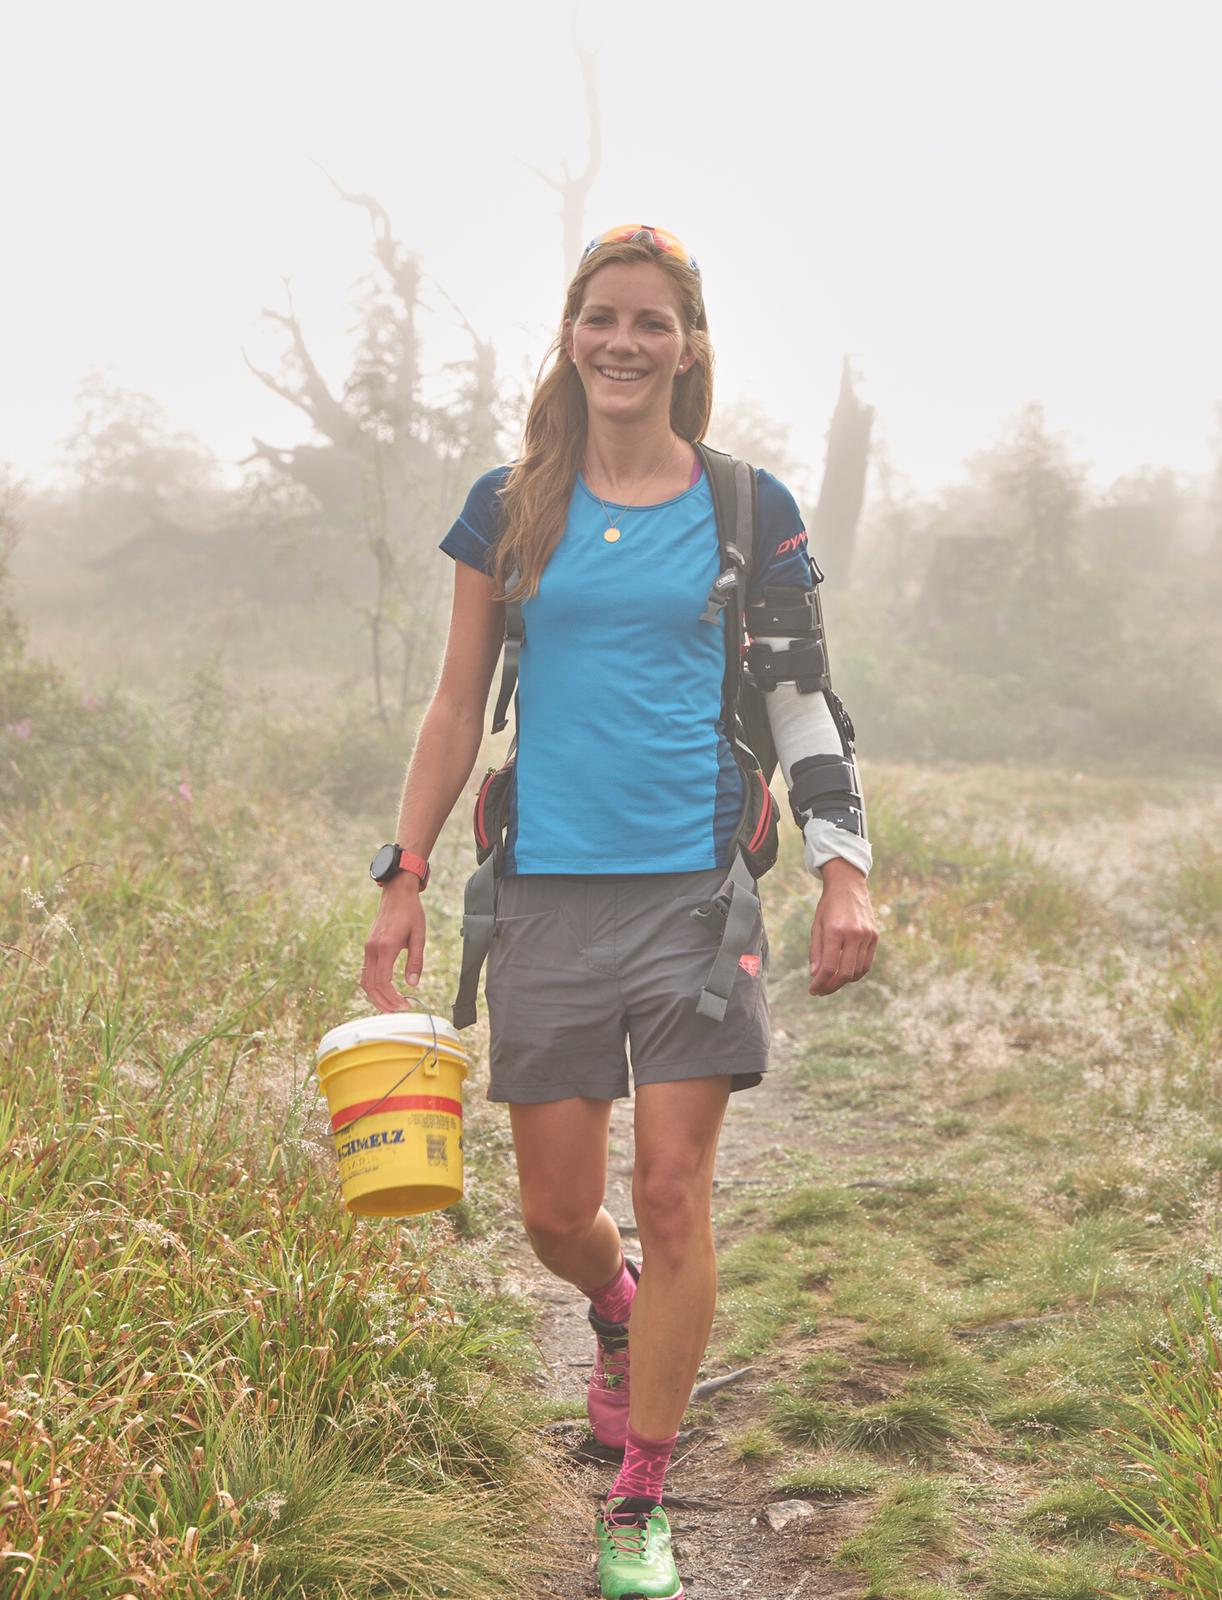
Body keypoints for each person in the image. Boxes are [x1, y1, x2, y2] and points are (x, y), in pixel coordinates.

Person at [361, 224, 878, 1600]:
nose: (623, 343)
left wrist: (843, 865)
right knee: (554, 1209)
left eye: (652, 323)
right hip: (541, 895)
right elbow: (456, 701)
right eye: (602, 318)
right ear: (570, 334)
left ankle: (642, 1492)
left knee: (672, 1186)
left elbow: (799, 698)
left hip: (698, 892)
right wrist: (402, 871)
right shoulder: (511, 505)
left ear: (687, 347)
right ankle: (614, 1309)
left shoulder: (745, 507)